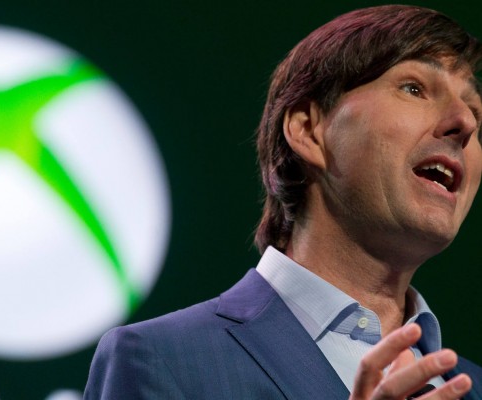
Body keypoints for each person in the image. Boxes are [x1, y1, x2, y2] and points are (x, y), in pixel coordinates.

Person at [84, 5, 482, 399]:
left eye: (476, 113)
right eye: (414, 88)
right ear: (308, 131)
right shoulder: (164, 360)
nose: (464, 122)